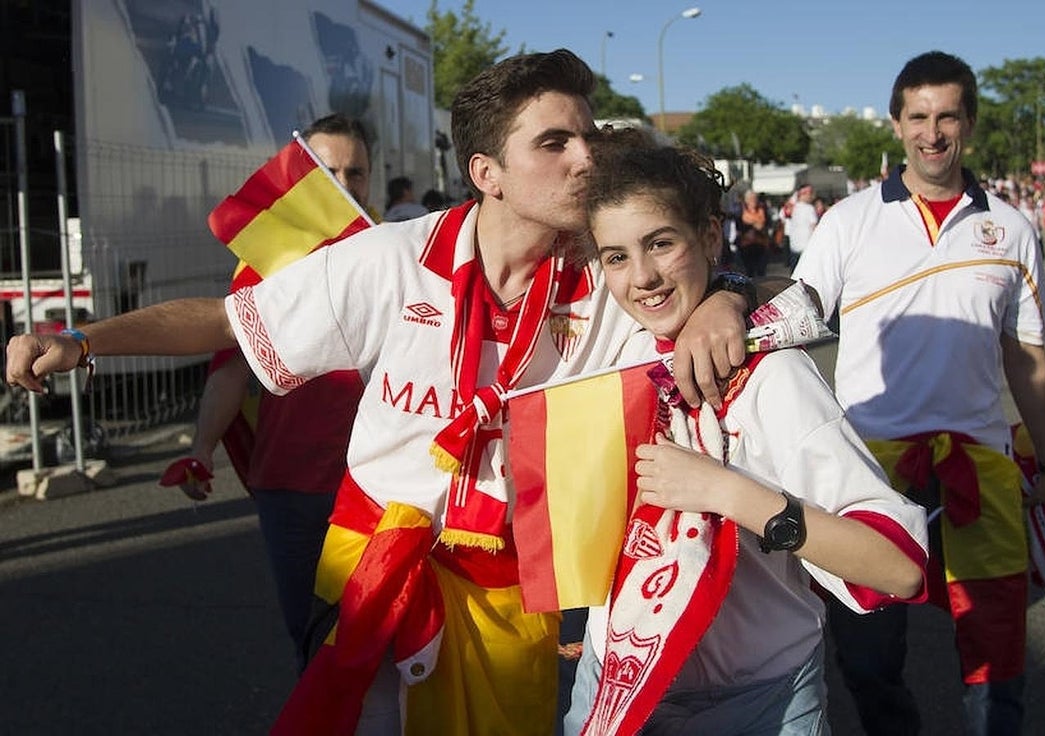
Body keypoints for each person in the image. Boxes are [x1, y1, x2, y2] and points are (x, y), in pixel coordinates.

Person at [5, 49, 752, 735]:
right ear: (487, 172)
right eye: (555, 143)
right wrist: (82, 343)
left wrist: (725, 299)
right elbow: (229, 320)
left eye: (587, 136)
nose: (587, 157)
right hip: (372, 568)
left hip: (508, 590)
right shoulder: (391, 259)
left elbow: (774, 296)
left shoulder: (609, 275)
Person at [563, 127, 928, 735]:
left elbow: (897, 565)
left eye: (661, 243)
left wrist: (726, 492)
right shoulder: (606, 345)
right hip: (614, 682)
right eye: (616, 256)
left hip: (760, 699)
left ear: (709, 236)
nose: (644, 277)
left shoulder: (771, 374)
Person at [793, 51, 1045, 736]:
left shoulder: (1011, 227)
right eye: (918, 116)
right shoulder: (848, 221)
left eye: (947, 116)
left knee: (995, 648)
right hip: (870, 468)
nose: (933, 132)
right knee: (866, 651)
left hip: (980, 464)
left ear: (968, 124)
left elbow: (1026, 354)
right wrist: (724, 307)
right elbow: (798, 313)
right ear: (896, 124)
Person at [159, 113, 375, 674]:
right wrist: (202, 448)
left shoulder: (392, 252)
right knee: (314, 644)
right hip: (293, 485)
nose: (344, 185)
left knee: (385, 647)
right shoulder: (265, 264)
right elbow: (230, 368)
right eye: (327, 171)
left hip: (380, 483)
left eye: (357, 172)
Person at [787, 183, 818, 270]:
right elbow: (814, 227)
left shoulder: (792, 207)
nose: (812, 195)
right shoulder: (809, 208)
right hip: (806, 248)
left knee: (794, 277)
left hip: (794, 247)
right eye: (810, 193)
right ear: (803, 194)